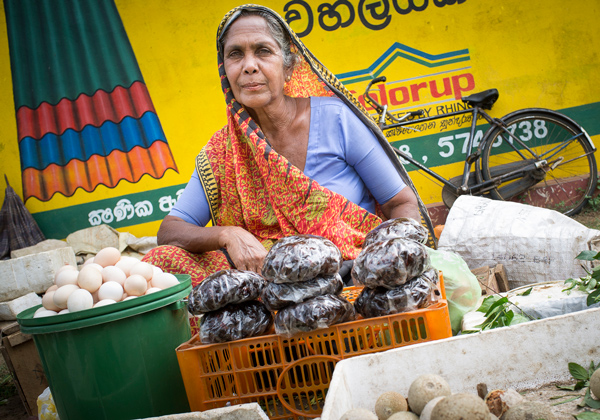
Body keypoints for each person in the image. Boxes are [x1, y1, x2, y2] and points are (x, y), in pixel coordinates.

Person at [143, 5, 433, 317]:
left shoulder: (335, 120)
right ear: (224, 69)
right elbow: (170, 230)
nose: (249, 66)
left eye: (263, 51)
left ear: (289, 65)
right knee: (162, 260)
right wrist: (228, 235)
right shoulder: (222, 151)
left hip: (352, 280)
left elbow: (400, 204)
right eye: (235, 54)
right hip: (274, 296)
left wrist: (389, 266)